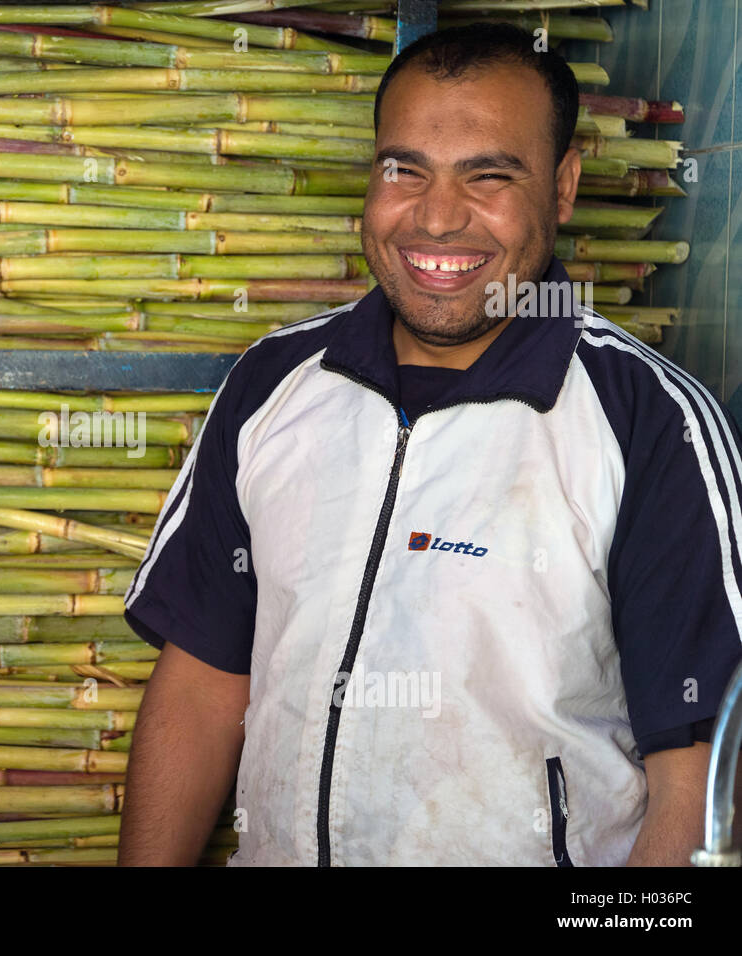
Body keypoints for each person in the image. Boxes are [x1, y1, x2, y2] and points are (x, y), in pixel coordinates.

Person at [118, 22, 742, 866]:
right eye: (404, 170)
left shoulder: (649, 420)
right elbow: (200, 685)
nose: (438, 218)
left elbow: (703, 776)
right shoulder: (272, 384)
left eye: (489, 176)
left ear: (563, 187)